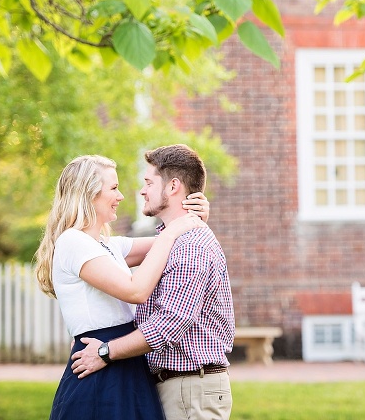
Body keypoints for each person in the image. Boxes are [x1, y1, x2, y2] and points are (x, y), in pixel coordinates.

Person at [33, 154, 210, 420]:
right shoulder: (72, 242)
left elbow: (170, 243)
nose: (122, 196)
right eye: (113, 188)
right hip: (100, 372)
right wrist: (174, 230)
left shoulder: (108, 246)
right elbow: (135, 291)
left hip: (124, 363)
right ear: (90, 194)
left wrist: (193, 217)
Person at [71, 144, 235, 420]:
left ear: (172, 187)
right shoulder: (174, 240)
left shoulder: (190, 245)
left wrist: (105, 351)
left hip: (190, 389)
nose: (142, 191)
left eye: (148, 182)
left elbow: (169, 323)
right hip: (181, 387)